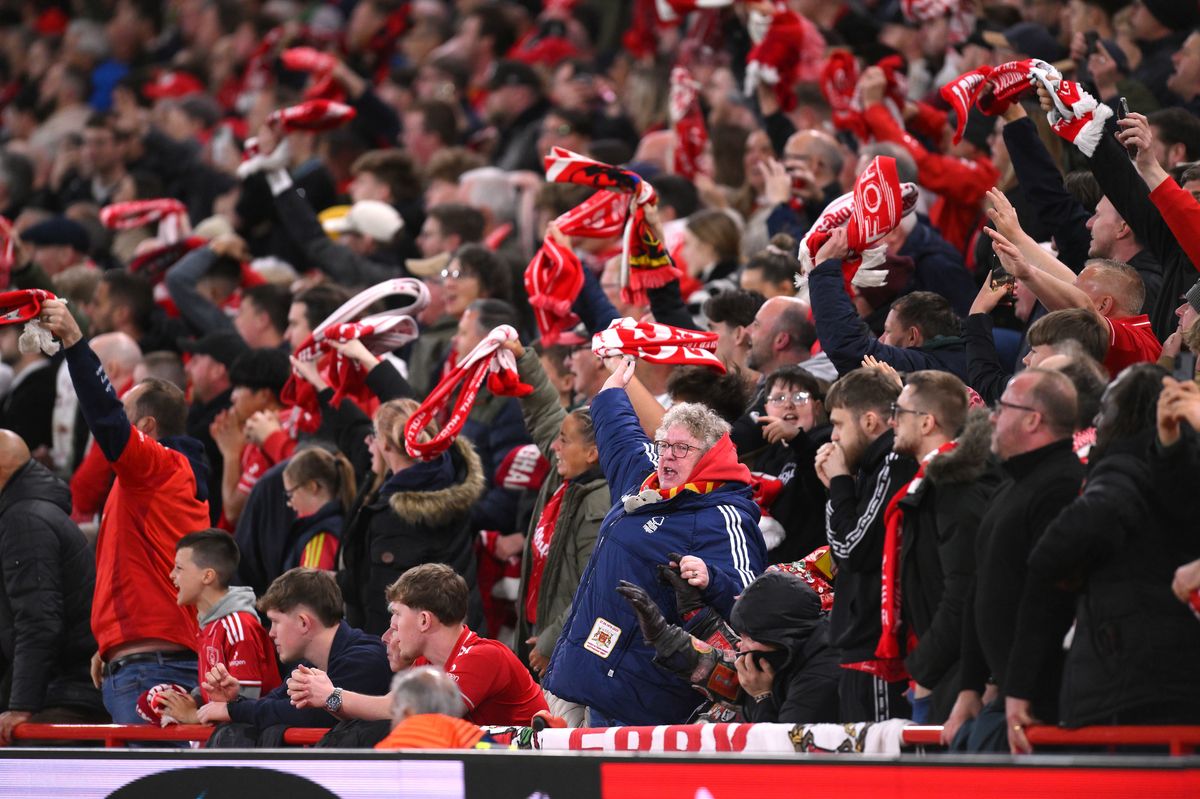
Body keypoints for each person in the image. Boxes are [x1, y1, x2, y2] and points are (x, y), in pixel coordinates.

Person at [543, 356, 766, 726]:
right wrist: (611, 391)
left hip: (636, 700)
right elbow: (621, 438)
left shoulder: (725, 515)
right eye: (663, 444)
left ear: (709, 457)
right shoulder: (645, 480)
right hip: (580, 673)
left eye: (682, 448)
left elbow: (753, 600)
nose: (667, 456)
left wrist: (712, 578)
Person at [1010, 364, 1200, 751]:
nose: (1097, 421)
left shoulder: (1123, 469)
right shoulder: (1171, 466)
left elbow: (1060, 545)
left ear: (1120, 415)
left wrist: (1020, 682)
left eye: (1105, 410)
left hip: (1128, 688)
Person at [40, 298, 210, 724]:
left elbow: (107, 419)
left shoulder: (157, 467)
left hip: (151, 668)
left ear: (147, 429)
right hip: (152, 657)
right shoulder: (171, 477)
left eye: (127, 412)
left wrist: (74, 341)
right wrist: (112, 639)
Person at [944, 368, 1084, 752]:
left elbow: (1049, 598)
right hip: (1008, 691)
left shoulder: (1062, 486)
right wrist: (970, 687)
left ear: (1033, 420)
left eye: (1003, 408)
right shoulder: (1010, 487)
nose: (991, 418)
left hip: (1043, 701)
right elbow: (980, 588)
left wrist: (1020, 689)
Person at [287, 564, 548, 726]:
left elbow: (404, 711)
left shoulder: (485, 656)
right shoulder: (426, 664)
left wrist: (332, 694)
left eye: (397, 614)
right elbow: (389, 712)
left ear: (424, 620)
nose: (393, 625)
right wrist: (324, 697)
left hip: (528, 775)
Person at [887, 371, 999, 724]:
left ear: (926, 422)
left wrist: (924, 667)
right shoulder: (935, 483)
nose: (891, 421)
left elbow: (962, 592)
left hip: (959, 675)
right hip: (945, 669)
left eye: (899, 412)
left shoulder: (956, 489)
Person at [506, 342, 607, 703]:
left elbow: (593, 585)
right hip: (541, 630)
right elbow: (546, 411)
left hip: (566, 645)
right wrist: (522, 357)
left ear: (592, 453)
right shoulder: (568, 474)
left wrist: (552, 640)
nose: (554, 447)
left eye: (564, 441)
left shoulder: (599, 504)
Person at [816, 367, 917, 722]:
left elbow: (852, 551)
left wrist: (840, 483)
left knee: (879, 752)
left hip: (880, 649)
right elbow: (843, 551)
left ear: (870, 421)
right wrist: (838, 487)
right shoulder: (872, 468)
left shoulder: (894, 462)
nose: (833, 436)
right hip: (862, 644)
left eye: (838, 424)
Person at [336, 398, 485, 637]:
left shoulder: (393, 518)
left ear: (386, 445)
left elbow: (381, 600)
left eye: (374, 435)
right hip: (459, 636)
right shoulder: (452, 478)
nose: (368, 441)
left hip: (411, 646)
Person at [617, 568, 841, 725]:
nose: (739, 645)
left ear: (780, 637)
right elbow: (732, 675)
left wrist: (762, 698)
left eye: (748, 637)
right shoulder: (792, 648)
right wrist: (665, 636)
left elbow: (783, 758)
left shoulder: (820, 681)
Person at [198, 568, 391, 743]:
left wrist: (233, 710)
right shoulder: (308, 665)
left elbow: (311, 715)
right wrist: (234, 701)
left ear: (303, 623)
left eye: (276, 622)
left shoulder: (366, 659)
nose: (271, 633)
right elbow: (273, 705)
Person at [0, 429, 106, 744]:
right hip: (64, 684)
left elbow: (39, 622)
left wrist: (21, 705)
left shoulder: (24, 521)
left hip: (72, 692)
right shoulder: (26, 512)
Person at [156, 530, 281, 724]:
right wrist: (192, 700)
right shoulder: (210, 625)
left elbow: (246, 703)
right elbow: (219, 693)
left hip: (251, 740)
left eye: (179, 568)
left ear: (207, 576)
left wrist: (194, 716)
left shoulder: (238, 626)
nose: (172, 575)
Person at [809, 230, 967, 380]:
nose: (880, 339)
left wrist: (826, 267)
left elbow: (850, 347)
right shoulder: (962, 360)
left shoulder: (926, 370)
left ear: (912, 336)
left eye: (888, 331)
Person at [281, 448, 356, 571]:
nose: (289, 503)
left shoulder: (320, 538)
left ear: (312, 487)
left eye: (290, 494)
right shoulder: (334, 522)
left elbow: (310, 583)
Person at [374, 667, 485, 750]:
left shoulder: (395, 745)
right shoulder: (477, 736)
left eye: (394, 713)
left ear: (407, 713)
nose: (392, 723)